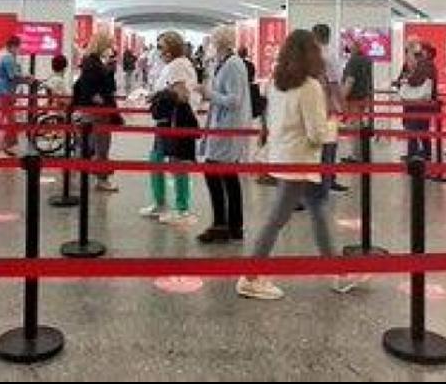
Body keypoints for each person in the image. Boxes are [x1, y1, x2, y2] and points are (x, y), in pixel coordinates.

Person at [236, 29, 359, 300]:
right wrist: (333, 124)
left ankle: (337, 271)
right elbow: (316, 134)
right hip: (300, 160)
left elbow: (273, 120)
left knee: (317, 209)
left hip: (283, 156)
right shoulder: (310, 87)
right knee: (277, 218)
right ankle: (250, 276)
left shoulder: (277, 83)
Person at [197, 25, 249, 244]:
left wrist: (209, 94)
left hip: (228, 127)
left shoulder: (233, 65)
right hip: (223, 125)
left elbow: (234, 99)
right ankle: (231, 225)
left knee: (216, 172)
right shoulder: (225, 63)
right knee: (227, 175)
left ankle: (224, 224)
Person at [140, 31, 197, 225]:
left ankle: (182, 208)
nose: (159, 50)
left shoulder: (177, 66)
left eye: (162, 46)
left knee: (177, 162)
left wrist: (160, 94)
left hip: (174, 121)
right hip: (166, 121)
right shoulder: (174, 65)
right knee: (157, 159)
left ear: (172, 47)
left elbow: (181, 95)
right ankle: (160, 202)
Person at [72, 28, 121, 193]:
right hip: (98, 112)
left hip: (95, 110)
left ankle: (92, 171)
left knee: (93, 144)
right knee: (101, 146)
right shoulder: (92, 63)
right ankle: (101, 179)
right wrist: (101, 101)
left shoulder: (91, 61)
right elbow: (90, 89)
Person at [311, 24, 347, 193]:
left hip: (311, 105)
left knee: (316, 144)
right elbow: (334, 84)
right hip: (327, 105)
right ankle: (327, 180)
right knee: (329, 144)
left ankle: (318, 181)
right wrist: (343, 106)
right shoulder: (330, 56)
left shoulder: (309, 55)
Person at [0, 35, 31, 157]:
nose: (20, 50)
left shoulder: (1, 53)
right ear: (13, 46)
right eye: (19, 47)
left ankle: (1, 148)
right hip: (3, 92)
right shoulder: (7, 57)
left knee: (3, 121)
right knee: (4, 121)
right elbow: (13, 76)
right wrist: (27, 79)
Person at [396, 39, 435, 160]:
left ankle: (414, 153)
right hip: (414, 102)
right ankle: (419, 152)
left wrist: (406, 79)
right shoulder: (410, 64)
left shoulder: (425, 64)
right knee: (417, 127)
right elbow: (402, 78)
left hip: (419, 103)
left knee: (415, 127)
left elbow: (415, 80)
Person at [340, 42, 374, 163]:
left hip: (353, 98)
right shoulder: (367, 60)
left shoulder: (353, 61)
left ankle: (355, 156)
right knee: (358, 124)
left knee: (353, 126)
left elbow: (350, 80)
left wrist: (342, 97)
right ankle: (359, 154)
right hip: (364, 96)